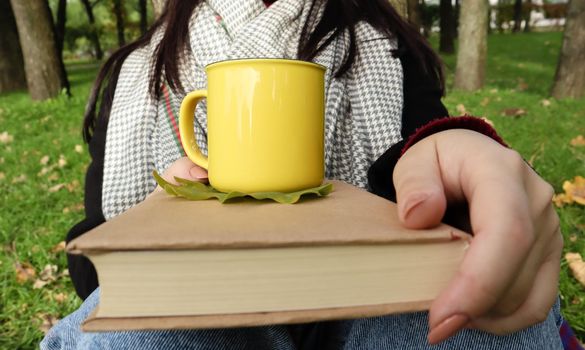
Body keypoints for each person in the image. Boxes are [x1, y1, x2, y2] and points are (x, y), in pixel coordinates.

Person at [41, 0, 572, 349]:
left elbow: (416, 154)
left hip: (362, 298)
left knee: (468, 326)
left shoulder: (385, 47)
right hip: (203, 306)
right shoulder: (138, 73)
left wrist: (457, 152)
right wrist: (157, 230)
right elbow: (93, 250)